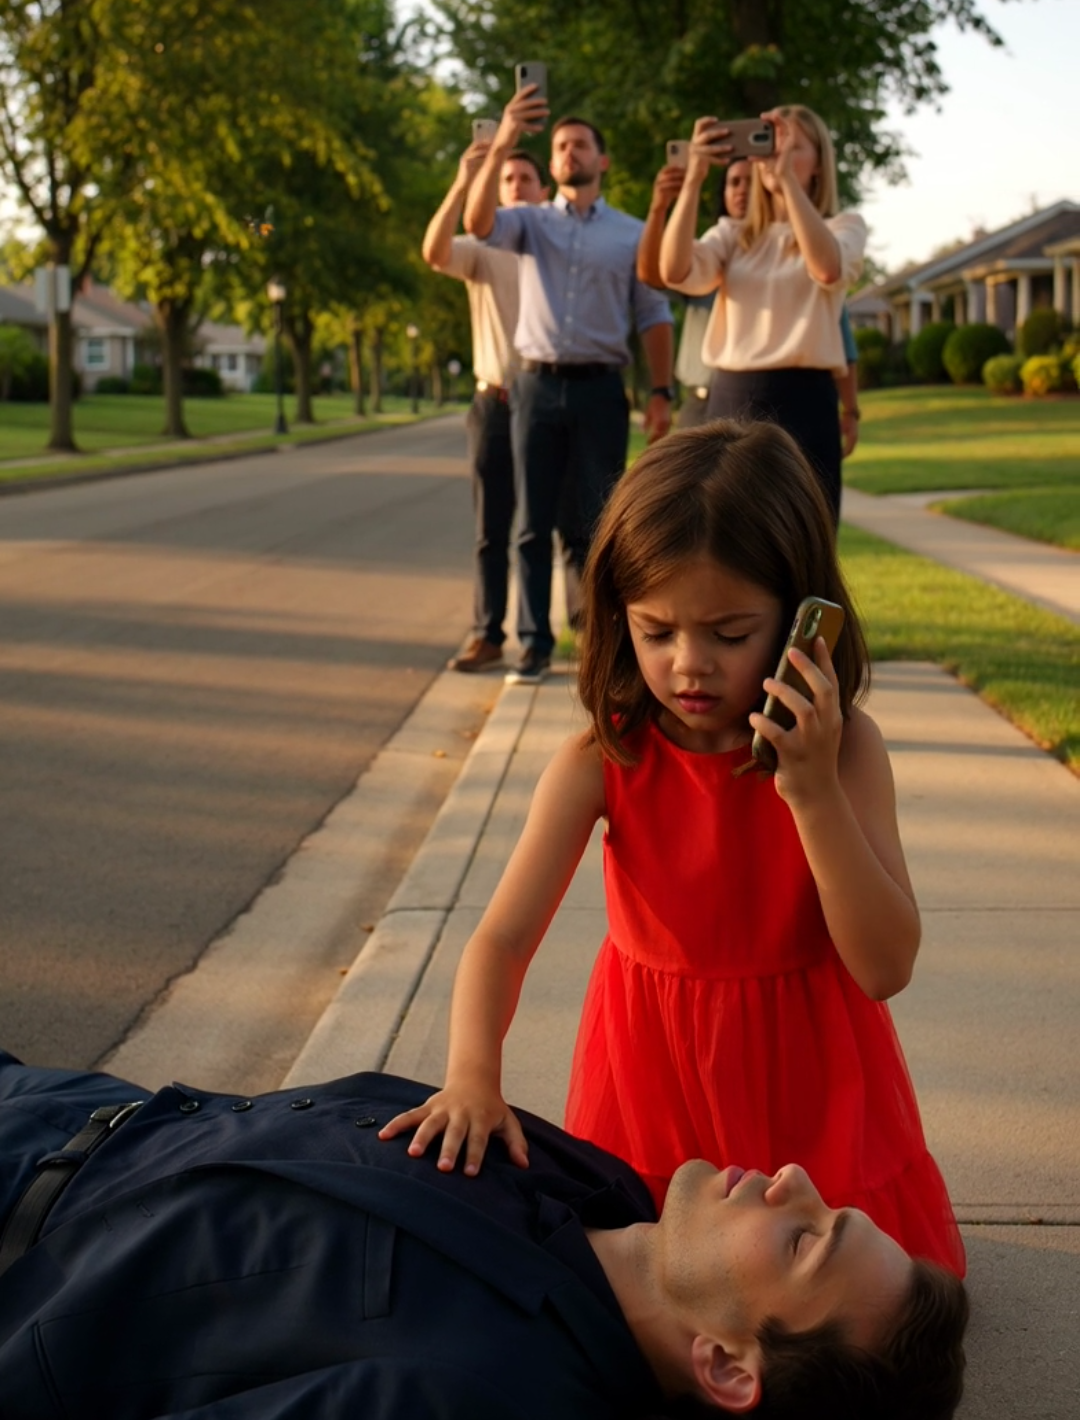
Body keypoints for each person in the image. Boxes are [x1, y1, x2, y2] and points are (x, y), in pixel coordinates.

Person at [384, 420, 966, 1279]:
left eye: (730, 634)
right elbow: (501, 939)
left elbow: (884, 967)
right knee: (666, 1297)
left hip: (810, 1085)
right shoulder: (605, 758)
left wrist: (811, 793)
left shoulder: (845, 753)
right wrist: (473, 1074)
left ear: (802, 620)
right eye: (657, 631)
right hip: (653, 1087)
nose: (690, 664)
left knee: (834, 1304)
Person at [0, 1053, 968, 1418]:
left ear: (725, 1365)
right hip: (76, 1104)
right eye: (830, 1208)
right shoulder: (604, 1187)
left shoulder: (487, 1393)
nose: (795, 1181)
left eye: (806, 1242)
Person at [464, 84, 675, 684]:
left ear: (601, 160)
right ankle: (533, 645)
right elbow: (477, 223)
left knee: (599, 523)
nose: (568, 153)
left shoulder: (632, 233)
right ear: (552, 163)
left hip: (601, 390)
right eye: (559, 146)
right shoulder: (528, 223)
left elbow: (653, 313)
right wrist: (506, 136)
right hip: (534, 388)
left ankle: (598, 646)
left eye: (579, 144)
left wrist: (661, 392)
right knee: (531, 523)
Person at [658, 106, 867, 521]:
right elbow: (674, 271)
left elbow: (826, 268)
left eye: (793, 146)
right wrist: (694, 180)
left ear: (819, 163)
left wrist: (786, 182)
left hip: (806, 400)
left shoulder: (844, 227)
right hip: (734, 398)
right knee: (729, 535)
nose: (778, 154)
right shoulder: (733, 235)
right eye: (771, 144)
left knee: (803, 535)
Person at [423, 141, 580, 672]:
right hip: (496, 402)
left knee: (565, 523)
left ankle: (579, 633)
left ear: (543, 189)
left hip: (552, 399)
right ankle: (488, 634)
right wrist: (463, 182)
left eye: (523, 178)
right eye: (505, 179)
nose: (513, 186)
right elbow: (434, 252)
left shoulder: (557, 245)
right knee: (493, 529)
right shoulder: (481, 249)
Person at [637, 158, 752, 428]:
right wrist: (659, 208)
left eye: (752, 182)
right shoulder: (711, 251)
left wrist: (848, 408)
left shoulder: (791, 254)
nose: (742, 190)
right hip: (701, 404)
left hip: (761, 402)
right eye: (734, 182)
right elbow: (654, 274)